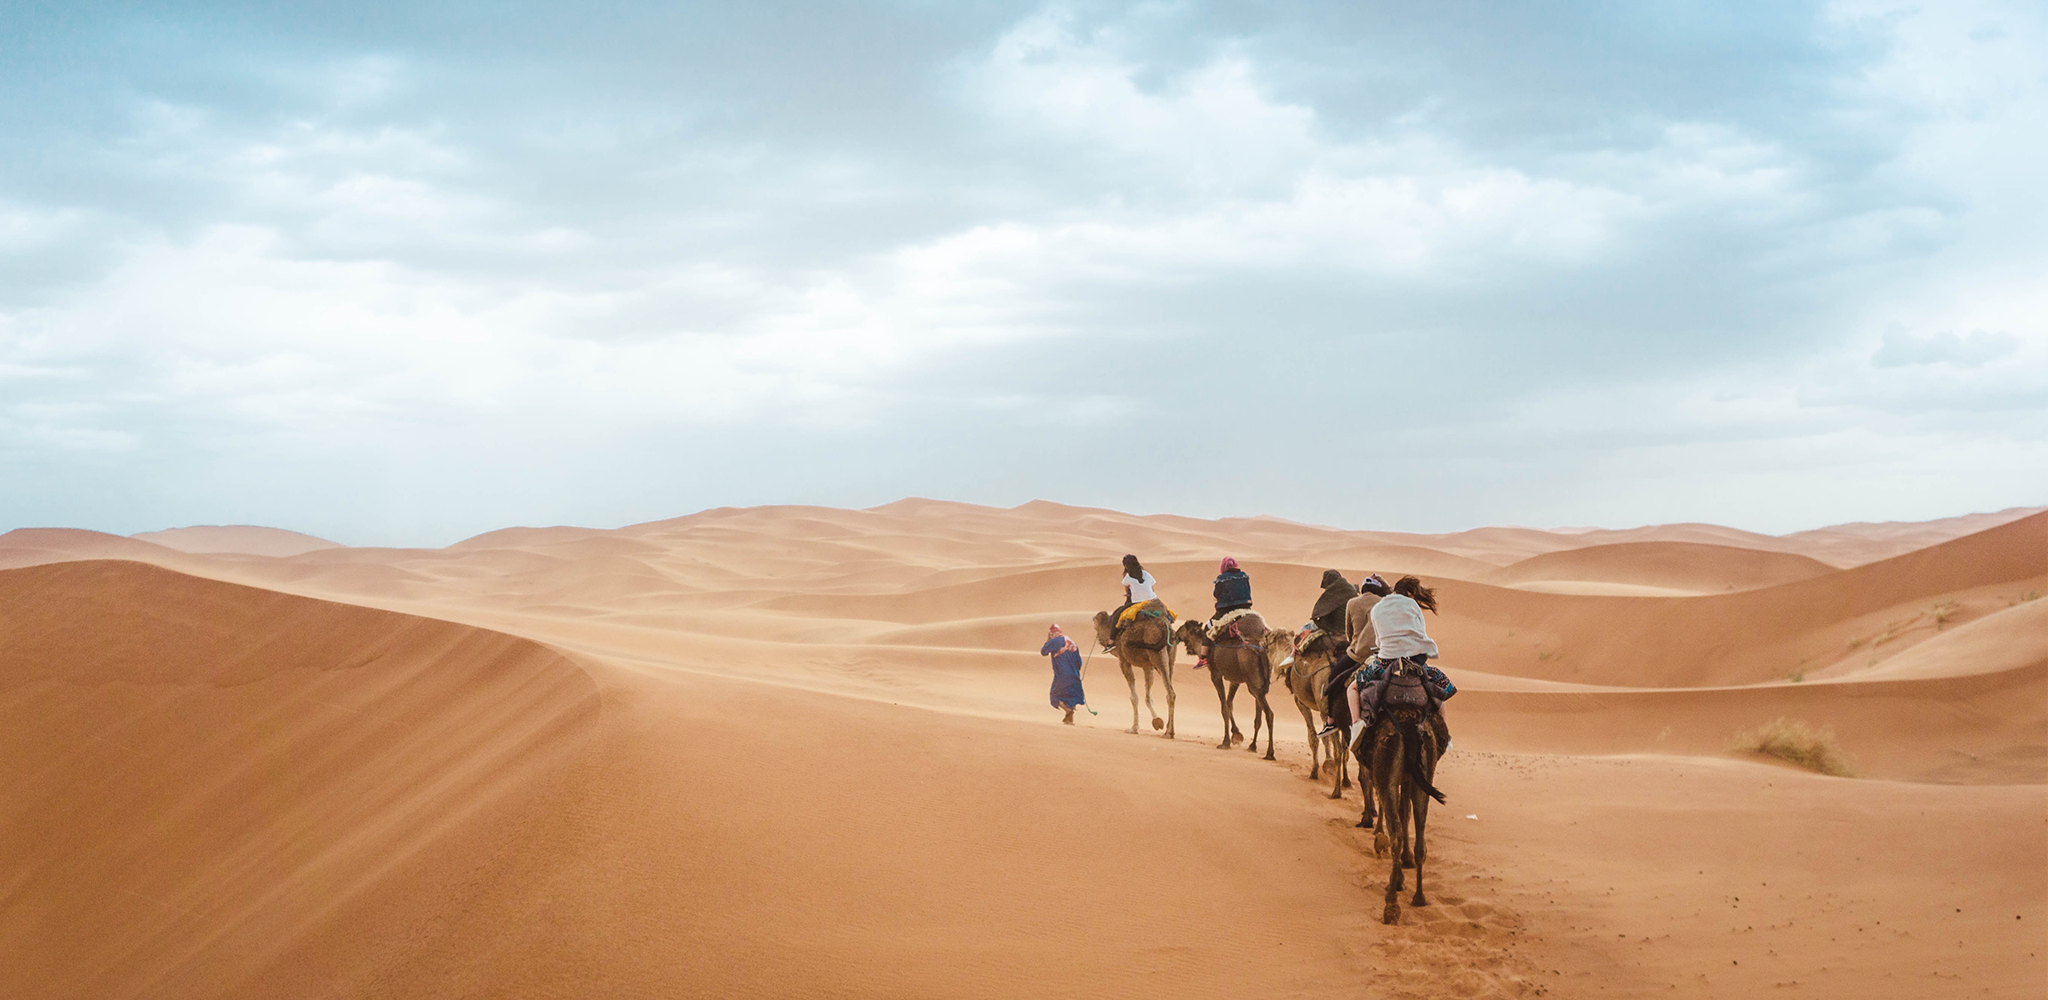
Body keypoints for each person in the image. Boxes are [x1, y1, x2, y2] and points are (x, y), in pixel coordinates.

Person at [1348, 576, 1455, 753]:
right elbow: (1420, 631)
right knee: (1441, 689)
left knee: (1352, 689)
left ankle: (1357, 724)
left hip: (1386, 661)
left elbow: (1378, 639)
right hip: (1416, 661)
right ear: (1410, 593)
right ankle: (1446, 736)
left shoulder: (1378, 607)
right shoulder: (1412, 605)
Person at [1321, 573, 1389, 729]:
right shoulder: (1384, 603)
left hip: (1357, 655)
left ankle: (1331, 720)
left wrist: (1355, 644)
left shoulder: (1352, 603)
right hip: (1383, 654)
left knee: (1333, 677)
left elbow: (1349, 632)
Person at [1196, 556, 1254, 670]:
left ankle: (1203, 658)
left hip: (1226, 611)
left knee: (1207, 628)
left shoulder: (1221, 578)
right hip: (1246, 609)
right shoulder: (1244, 576)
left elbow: (1216, 594)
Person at [1041, 624, 1088, 724]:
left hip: (1062, 675)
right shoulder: (1072, 642)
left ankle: (1068, 711)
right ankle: (1069, 720)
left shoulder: (1054, 641)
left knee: (1054, 696)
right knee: (1070, 697)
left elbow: (1043, 652)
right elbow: (1079, 661)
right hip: (1074, 675)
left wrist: (1048, 640)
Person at [1108, 554, 1158, 647]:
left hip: (1137, 602)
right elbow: (1152, 589)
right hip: (1153, 600)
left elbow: (1127, 592)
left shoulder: (1127, 577)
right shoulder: (1146, 574)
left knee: (1116, 615)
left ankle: (1111, 642)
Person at [1309, 568, 1358, 636]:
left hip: (1338, 629)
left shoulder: (1333, 591)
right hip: (1354, 627)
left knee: (1308, 628)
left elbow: (1318, 613)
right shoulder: (1350, 589)